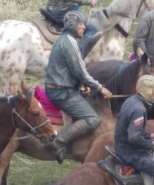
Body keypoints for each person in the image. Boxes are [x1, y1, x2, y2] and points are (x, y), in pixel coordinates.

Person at [44, 11, 113, 163]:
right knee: (92, 119)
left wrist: (81, 86)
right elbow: (81, 72)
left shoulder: (67, 40)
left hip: (64, 87)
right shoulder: (69, 43)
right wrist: (101, 88)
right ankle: (59, 142)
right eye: (81, 24)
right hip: (61, 92)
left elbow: (71, 71)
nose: (84, 27)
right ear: (72, 25)